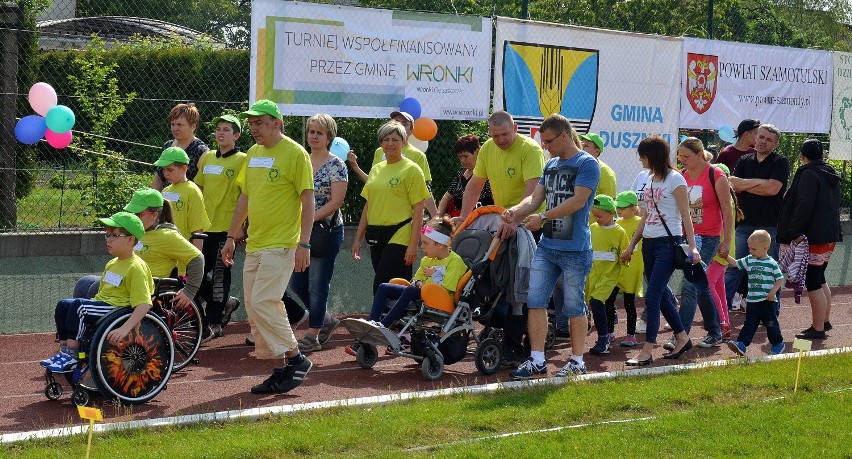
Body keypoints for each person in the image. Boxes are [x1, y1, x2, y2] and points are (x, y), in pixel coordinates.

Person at [220, 99, 315, 395]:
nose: (254, 129)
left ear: (277, 123)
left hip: (283, 243)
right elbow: (245, 198)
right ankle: (279, 371)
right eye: (251, 124)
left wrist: (304, 243)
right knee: (255, 307)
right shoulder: (254, 154)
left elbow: (308, 200)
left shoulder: (296, 154)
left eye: (259, 123)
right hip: (256, 244)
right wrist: (231, 237)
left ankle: (297, 359)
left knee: (264, 301)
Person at [502, 114, 599, 379]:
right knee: (535, 302)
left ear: (564, 136)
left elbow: (579, 201)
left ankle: (577, 361)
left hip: (575, 248)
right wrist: (515, 211)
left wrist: (543, 217)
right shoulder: (551, 164)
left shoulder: (587, 164)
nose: (545, 147)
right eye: (542, 142)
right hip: (547, 246)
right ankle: (537, 359)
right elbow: (535, 198)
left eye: (548, 141)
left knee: (574, 306)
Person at [454, 110, 546, 365]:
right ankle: (497, 330)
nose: (501, 140)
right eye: (495, 136)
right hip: (500, 222)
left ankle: (519, 344)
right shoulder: (487, 149)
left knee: (520, 287)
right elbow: (474, 184)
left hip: (528, 225)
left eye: (505, 134)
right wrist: (464, 217)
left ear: (515, 127)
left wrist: (515, 219)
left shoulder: (530, 150)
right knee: (492, 280)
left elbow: (533, 192)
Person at [40, 212, 154, 372]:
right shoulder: (112, 263)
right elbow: (101, 293)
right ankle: (64, 351)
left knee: (80, 306)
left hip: (117, 309)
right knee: (64, 305)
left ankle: (72, 357)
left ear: (130, 240)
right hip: (103, 305)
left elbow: (144, 303)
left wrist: (124, 328)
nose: (109, 239)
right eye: (107, 235)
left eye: (115, 235)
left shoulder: (136, 267)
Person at [621, 136, 699, 366]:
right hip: (649, 243)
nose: (640, 160)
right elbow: (645, 215)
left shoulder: (676, 179)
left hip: (668, 243)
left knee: (653, 296)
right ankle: (683, 337)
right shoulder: (649, 178)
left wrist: (693, 246)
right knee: (662, 293)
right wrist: (632, 244)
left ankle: (647, 350)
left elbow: (686, 216)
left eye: (643, 156)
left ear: (652, 156)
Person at [284, 114, 348, 353]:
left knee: (318, 283)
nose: (314, 136)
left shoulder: (336, 164)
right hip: (301, 231)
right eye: (311, 131)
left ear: (329, 137)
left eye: (319, 132)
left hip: (326, 232)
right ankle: (326, 319)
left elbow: (336, 201)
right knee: (297, 282)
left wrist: (309, 219)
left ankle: (313, 334)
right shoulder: (302, 160)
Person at [352, 219, 466, 339]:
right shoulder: (426, 260)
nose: (422, 247)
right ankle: (371, 322)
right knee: (383, 287)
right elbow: (415, 280)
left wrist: (435, 274)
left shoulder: (455, 261)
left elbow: (446, 289)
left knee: (411, 291)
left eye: (426, 243)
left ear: (440, 245)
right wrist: (419, 283)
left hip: (440, 299)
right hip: (421, 293)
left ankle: (384, 325)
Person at [351, 120, 429, 295]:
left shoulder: (412, 170)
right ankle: (397, 321)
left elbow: (419, 210)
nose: (390, 144)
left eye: (395, 139)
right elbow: (368, 205)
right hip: (375, 233)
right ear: (380, 143)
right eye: (386, 139)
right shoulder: (376, 169)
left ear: (403, 141)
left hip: (400, 233)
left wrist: (412, 245)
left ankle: (377, 320)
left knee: (381, 283)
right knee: (392, 285)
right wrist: (357, 238)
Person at [777, 139, 842, 340]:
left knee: (813, 281)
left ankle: (818, 327)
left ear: (802, 156)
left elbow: (804, 205)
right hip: (828, 234)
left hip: (813, 236)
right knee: (820, 277)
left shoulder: (808, 174)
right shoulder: (829, 172)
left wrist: (794, 230)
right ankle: (825, 320)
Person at [674, 137, 731, 350]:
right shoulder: (682, 176)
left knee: (689, 286)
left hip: (708, 238)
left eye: (686, 156)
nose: (682, 160)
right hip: (688, 238)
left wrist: (726, 241)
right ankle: (715, 331)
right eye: (680, 156)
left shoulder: (716, 175)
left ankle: (681, 336)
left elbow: (726, 210)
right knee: (701, 286)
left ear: (699, 155)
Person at [726, 124, 790, 313]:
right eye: (761, 137)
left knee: (769, 270)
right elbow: (732, 184)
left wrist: (746, 185)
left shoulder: (780, 162)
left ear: (776, 144)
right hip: (743, 224)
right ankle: (722, 311)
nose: (763, 141)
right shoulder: (745, 160)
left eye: (769, 139)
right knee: (735, 268)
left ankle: (771, 311)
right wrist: (760, 183)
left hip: (770, 225)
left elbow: (773, 189)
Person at [194, 114, 247, 338]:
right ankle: (225, 303)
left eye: (226, 129)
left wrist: (241, 228)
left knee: (218, 276)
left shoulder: (243, 159)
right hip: (203, 229)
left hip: (227, 229)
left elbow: (247, 195)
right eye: (218, 129)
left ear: (236, 135)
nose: (221, 133)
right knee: (194, 274)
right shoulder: (207, 158)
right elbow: (198, 190)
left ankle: (214, 322)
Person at [348, 111, 438, 216]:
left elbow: (425, 189)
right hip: (380, 213)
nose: (398, 125)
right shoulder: (380, 151)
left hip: (404, 217)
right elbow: (372, 182)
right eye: (395, 121)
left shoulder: (418, 156)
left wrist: (436, 217)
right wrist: (355, 166)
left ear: (411, 130)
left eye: (404, 124)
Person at [725, 230, 786, 356]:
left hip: (767, 302)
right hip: (752, 301)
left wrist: (773, 292)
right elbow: (736, 263)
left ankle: (777, 344)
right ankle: (741, 344)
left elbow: (780, 279)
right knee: (749, 324)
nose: (751, 251)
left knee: (771, 324)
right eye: (749, 248)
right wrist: (726, 256)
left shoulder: (771, 263)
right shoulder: (749, 260)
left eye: (754, 249)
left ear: (765, 248)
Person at [586, 195, 628, 356]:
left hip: (610, 276)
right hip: (593, 274)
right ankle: (605, 336)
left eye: (600, 216)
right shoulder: (592, 229)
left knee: (597, 302)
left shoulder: (619, 232)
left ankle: (603, 338)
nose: (596, 219)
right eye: (594, 215)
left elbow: (624, 255)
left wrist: (625, 258)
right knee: (595, 304)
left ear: (611, 213)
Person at [706, 164, 741, 341]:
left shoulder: (723, 201)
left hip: (720, 249)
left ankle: (721, 324)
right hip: (722, 248)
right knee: (719, 287)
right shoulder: (727, 198)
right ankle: (725, 323)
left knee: (708, 284)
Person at [606, 191, 643, 347]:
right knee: (608, 300)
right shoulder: (617, 223)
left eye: (622, 207)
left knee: (629, 303)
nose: (618, 210)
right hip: (617, 269)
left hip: (632, 271)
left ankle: (631, 335)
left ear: (633, 208)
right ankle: (609, 332)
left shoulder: (641, 223)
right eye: (617, 207)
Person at [154, 146, 210, 251]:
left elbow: (197, 228)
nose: (165, 174)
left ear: (184, 168)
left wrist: (196, 259)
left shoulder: (192, 190)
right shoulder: (165, 191)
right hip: (164, 249)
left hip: (182, 250)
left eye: (170, 170)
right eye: (164, 169)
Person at [153, 103, 210, 190]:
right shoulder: (168, 146)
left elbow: (205, 185)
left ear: (193, 126)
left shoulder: (201, 151)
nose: (175, 128)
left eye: (180, 125)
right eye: (173, 124)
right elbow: (158, 179)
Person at [436, 135, 494, 218]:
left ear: (478, 151)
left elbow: (496, 199)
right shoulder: (460, 174)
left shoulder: (487, 174)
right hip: (457, 220)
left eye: (466, 156)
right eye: (460, 157)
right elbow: (447, 196)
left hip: (481, 222)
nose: (463, 160)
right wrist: (437, 217)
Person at [579, 132, 617, 199]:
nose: (581, 148)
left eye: (586, 146)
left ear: (596, 151)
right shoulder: (576, 166)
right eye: (581, 145)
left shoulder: (606, 173)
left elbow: (610, 203)